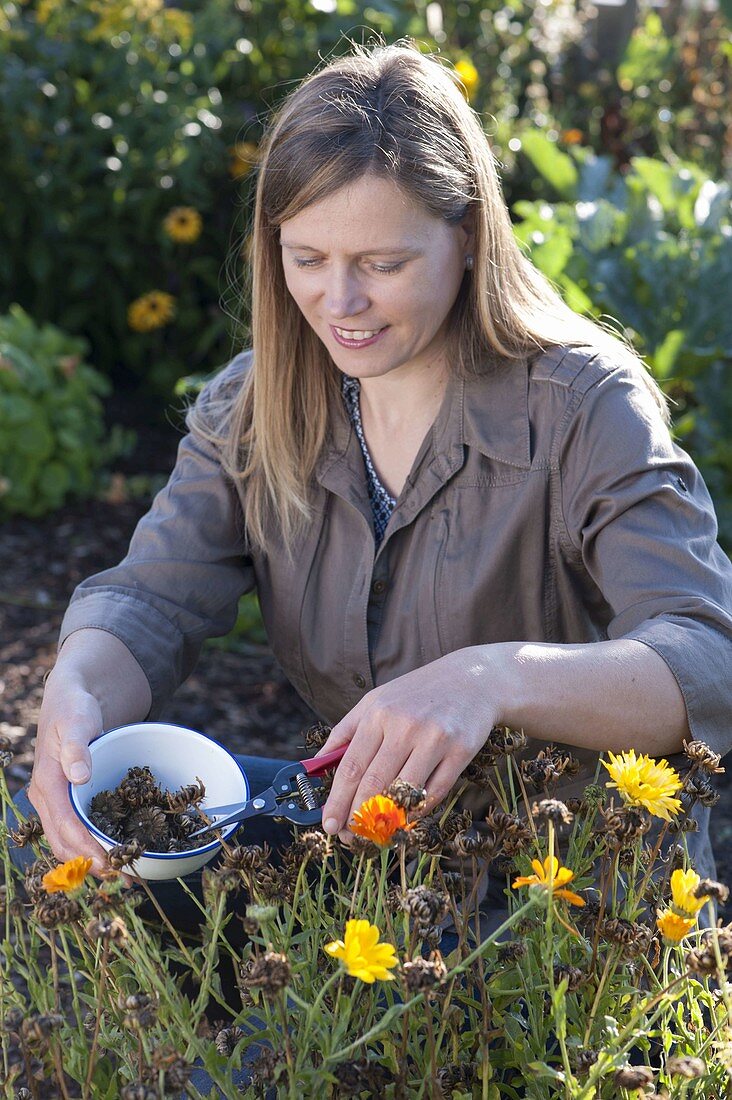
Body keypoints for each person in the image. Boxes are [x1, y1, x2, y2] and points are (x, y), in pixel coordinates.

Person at [18, 40, 732, 914]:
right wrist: (79, 690)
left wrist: (491, 679)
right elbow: (152, 602)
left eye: (383, 265)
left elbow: (707, 654)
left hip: (567, 902)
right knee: (38, 846)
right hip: (367, 854)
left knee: (280, 1052)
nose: (339, 303)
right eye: (307, 259)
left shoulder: (585, 404)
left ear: (468, 238)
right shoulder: (254, 402)